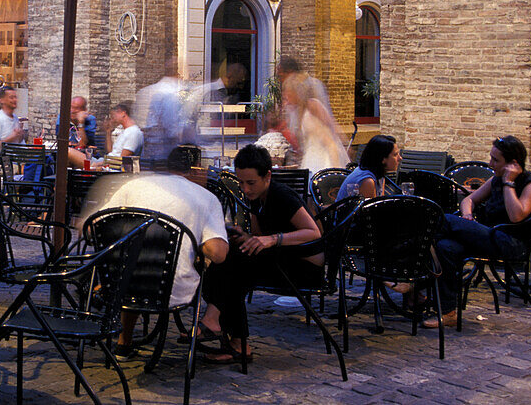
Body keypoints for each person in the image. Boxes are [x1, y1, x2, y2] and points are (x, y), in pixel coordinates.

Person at [88, 144, 228, 355]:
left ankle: (124, 341)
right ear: (197, 167)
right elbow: (218, 254)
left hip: (118, 288)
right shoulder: (206, 198)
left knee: (135, 256)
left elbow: (92, 229)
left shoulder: (133, 186)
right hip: (172, 291)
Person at [201, 144, 323, 362]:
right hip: (280, 260)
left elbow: (313, 232)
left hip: (305, 267)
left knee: (234, 267)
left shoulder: (281, 195)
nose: (245, 189)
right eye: (240, 182)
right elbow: (258, 237)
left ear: (267, 176)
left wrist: (273, 239)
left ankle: (220, 327)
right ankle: (231, 337)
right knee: (226, 262)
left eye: (250, 182)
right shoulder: (256, 196)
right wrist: (246, 236)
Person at [429, 135, 531, 328]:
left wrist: (509, 183)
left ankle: (411, 278)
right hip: (489, 237)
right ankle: (448, 313)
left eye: (495, 160)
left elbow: (516, 216)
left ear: (512, 164)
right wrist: (467, 217)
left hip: (511, 243)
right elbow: (468, 200)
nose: (491, 164)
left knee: (444, 219)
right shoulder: (495, 179)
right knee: (444, 246)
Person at [282, 72, 349, 174]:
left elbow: (330, 141)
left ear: (296, 93)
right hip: (310, 159)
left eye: (289, 95)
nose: (286, 101)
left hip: (324, 161)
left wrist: (336, 171)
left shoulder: (313, 106)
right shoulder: (299, 111)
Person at [68, 102, 143, 168]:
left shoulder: (133, 132)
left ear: (123, 113)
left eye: (113, 116)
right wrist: (108, 132)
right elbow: (111, 152)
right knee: (68, 159)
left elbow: (123, 159)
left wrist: (101, 164)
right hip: (105, 162)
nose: (112, 119)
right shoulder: (125, 131)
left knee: (68, 152)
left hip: (108, 166)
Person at [338, 134, 402, 199]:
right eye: (395, 154)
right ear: (382, 159)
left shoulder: (379, 174)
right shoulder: (367, 181)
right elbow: (371, 208)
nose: (400, 158)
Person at [0, 85, 25, 157]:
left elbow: (17, 143)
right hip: (1, 163)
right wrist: (11, 138)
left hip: (16, 159)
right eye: (11, 98)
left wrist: (20, 135)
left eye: (15, 97)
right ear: (2, 100)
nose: (14, 100)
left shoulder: (15, 118)